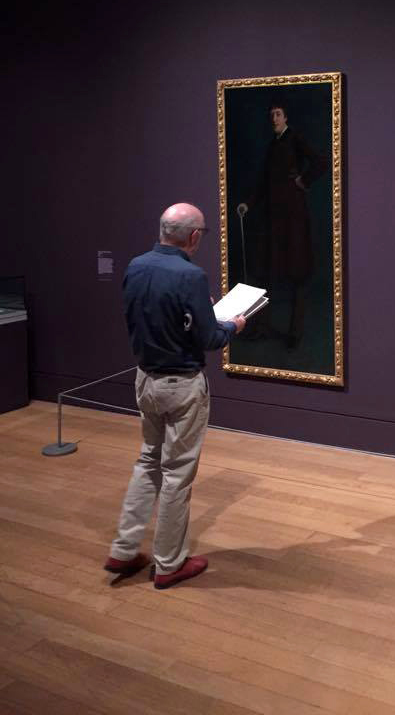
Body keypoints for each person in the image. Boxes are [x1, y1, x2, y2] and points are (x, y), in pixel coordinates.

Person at [103, 203, 245, 590]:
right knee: (177, 474)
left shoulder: (136, 266)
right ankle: (168, 563)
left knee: (148, 461)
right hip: (182, 385)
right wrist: (233, 324)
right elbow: (210, 338)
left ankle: (125, 548)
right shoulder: (191, 275)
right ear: (194, 236)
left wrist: (200, 314)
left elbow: (154, 317)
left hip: (145, 380)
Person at [237, 102, 327, 349]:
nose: (274, 118)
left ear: (286, 117)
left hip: (294, 219)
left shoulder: (295, 138)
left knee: (298, 274)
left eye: (278, 114)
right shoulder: (272, 145)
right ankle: (261, 327)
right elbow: (264, 181)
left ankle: (295, 334)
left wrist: (303, 180)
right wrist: (248, 203)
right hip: (273, 219)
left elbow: (320, 162)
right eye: (271, 115)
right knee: (265, 272)